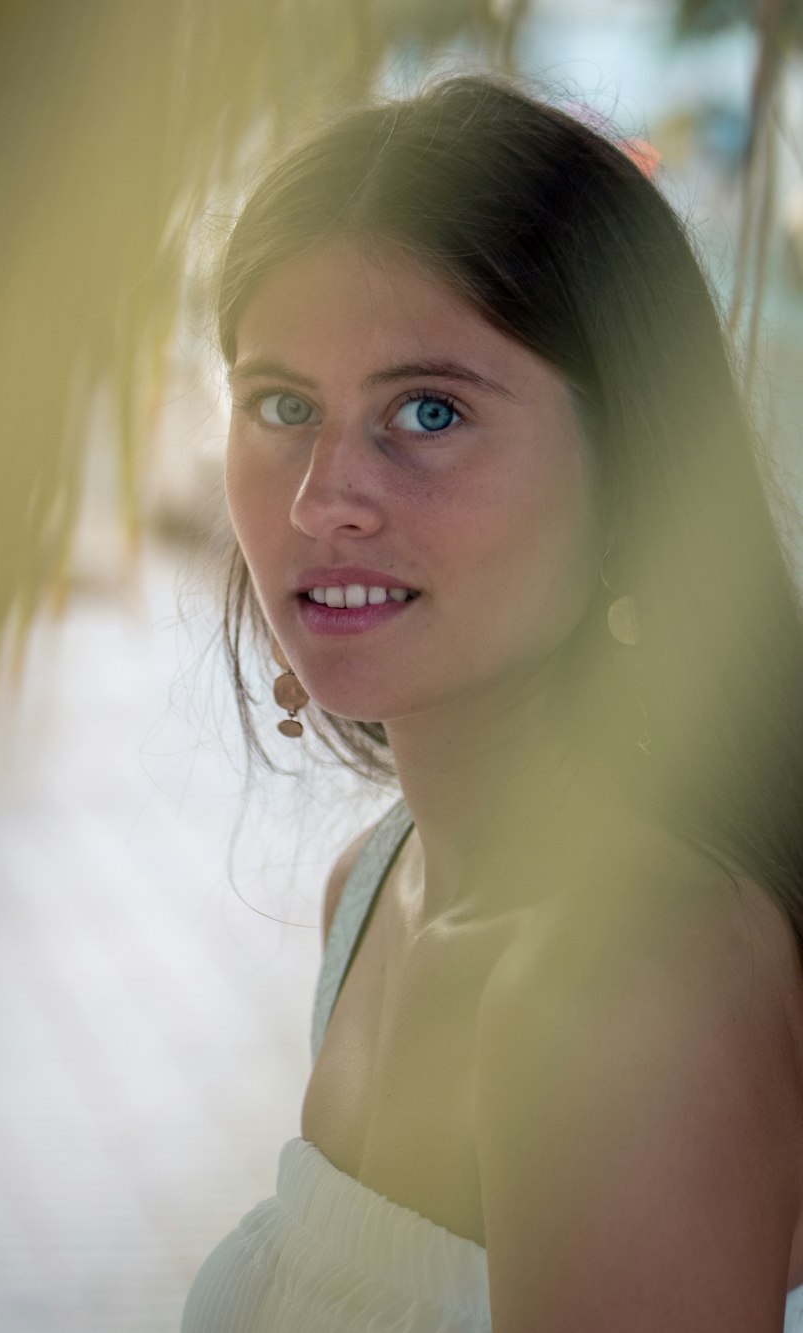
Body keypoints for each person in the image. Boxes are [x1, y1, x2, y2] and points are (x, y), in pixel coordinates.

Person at [182, 74, 803, 1331]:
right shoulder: (373, 883)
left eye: (428, 411)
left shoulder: (625, 988)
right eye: (282, 405)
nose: (322, 501)